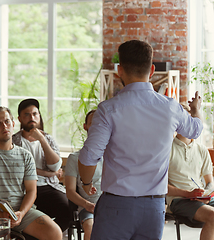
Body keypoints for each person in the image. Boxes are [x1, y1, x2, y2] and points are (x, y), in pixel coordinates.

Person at [78, 39, 203, 240]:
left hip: (116, 206)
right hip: (153, 208)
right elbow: (195, 130)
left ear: (119, 70)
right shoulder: (170, 107)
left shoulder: (108, 109)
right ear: (152, 70)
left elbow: (88, 157)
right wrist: (197, 111)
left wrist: (85, 184)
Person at [0, 106, 62, 240]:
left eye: (7, 122)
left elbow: (31, 191)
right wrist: (0, 214)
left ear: (13, 124)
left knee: (55, 233)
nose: (4, 126)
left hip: (21, 211)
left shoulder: (26, 155)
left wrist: (21, 213)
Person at [12, 98, 70, 232]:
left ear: (39, 116)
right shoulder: (14, 141)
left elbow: (55, 167)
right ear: (20, 118)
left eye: (34, 114)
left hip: (48, 186)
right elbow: (20, 169)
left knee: (67, 210)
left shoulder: (48, 139)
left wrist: (42, 140)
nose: (31, 117)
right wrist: (49, 173)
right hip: (23, 188)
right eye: (27, 114)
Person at [167, 104, 214, 240]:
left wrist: (205, 192)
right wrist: (188, 194)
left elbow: (210, 182)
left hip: (202, 199)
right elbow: (160, 186)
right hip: (179, 201)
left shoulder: (201, 150)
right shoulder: (167, 150)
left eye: (190, 120)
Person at [65, 110, 102, 240]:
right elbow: (69, 192)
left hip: (112, 207)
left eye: (100, 123)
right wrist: (88, 205)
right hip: (88, 209)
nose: (97, 127)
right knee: (91, 230)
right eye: (93, 123)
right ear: (85, 126)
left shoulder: (113, 157)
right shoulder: (74, 158)